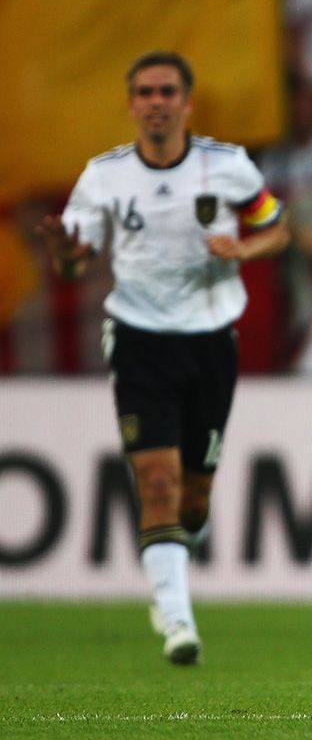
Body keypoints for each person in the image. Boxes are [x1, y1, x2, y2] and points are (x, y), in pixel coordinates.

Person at [36, 52, 290, 664]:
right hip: (139, 338)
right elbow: (73, 261)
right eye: (145, 92)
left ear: (186, 102)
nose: (156, 101)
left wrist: (244, 248)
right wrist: (67, 256)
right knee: (156, 480)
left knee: (194, 499)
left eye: (167, 91)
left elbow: (277, 227)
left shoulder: (226, 167)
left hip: (210, 339)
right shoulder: (104, 178)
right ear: (131, 104)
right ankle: (177, 621)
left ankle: (172, 563)